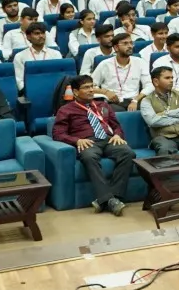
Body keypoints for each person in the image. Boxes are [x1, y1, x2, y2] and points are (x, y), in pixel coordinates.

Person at [51, 75, 134, 215]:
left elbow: (116, 126)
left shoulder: (103, 105)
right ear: (76, 92)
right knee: (89, 157)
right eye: (86, 87)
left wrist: (117, 135)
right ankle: (110, 200)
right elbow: (58, 133)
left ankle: (111, 198)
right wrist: (76, 141)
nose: (91, 90)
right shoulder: (66, 110)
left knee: (128, 153)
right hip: (87, 141)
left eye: (92, 86)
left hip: (108, 139)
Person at [91, 31, 151, 109]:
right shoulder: (105, 64)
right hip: (112, 102)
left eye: (131, 43)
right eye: (125, 43)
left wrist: (136, 100)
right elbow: (90, 85)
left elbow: (149, 85)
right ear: (116, 48)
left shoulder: (140, 62)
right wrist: (106, 92)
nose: (130, 46)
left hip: (133, 101)